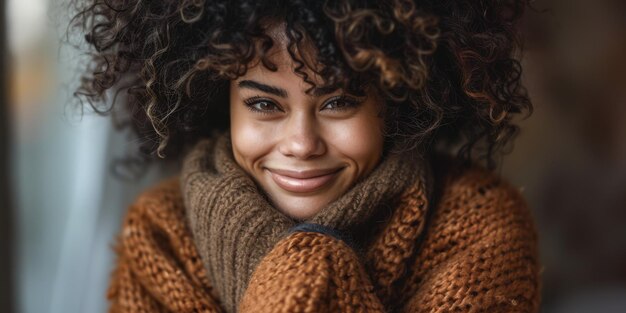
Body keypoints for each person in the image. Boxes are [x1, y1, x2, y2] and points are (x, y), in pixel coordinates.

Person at [71, 0, 541, 312]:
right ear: (221, 102)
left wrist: (308, 273)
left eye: (338, 102)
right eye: (263, 104)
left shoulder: (479, 229)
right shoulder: (159, 238)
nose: (301, 143)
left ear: (396, 97)